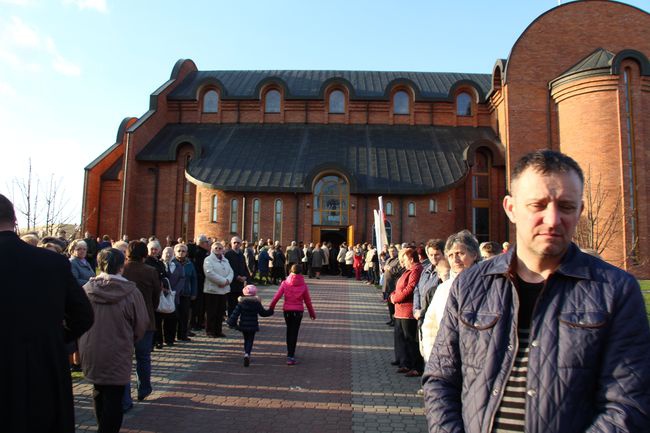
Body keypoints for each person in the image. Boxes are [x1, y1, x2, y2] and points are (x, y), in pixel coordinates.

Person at [422, 150, 650, 433]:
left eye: (566, 206)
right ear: (511, 208)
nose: (553, 219)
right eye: (538, 205)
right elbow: (441, 379)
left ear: (579, 210)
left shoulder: (615, 291)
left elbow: (627, 404)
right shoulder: (471, 285)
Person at [1, 194, 94, 433]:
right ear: (15, 221)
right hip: (44, 369)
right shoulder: (52, 263)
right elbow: (83, 315)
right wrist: (52, 338)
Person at [79, 248, 148, 433]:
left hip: (91, 347)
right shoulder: (131, 292)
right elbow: (141, 324)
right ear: (121, 267)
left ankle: (102, 427)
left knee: (98, 390)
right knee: (114, 397)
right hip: (119, 348)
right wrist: (130, 340)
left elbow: (77, 319)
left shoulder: (86, 290)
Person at [420, 230, 479, 364]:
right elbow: (430, 326)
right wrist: (432, 357)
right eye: (451, 255)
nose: (455, 259)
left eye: (460, 253)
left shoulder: (489, 286)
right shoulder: (443, 289)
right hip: (446, 362)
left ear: (474, 254)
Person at [121, 240, 161, 407]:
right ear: (145, 254)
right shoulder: (151, 271)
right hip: (146, 319)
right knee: (143, 357)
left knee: (124, 360)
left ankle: (125, 398)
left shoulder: (122, 269)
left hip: (124, 319)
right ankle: (144, 389)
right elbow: (156, 296)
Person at [269, 264, 316, 365]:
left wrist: (271, 308)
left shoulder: (285, 283)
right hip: (298, 311)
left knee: (289, 330)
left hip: (287, 311)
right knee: (294, 332)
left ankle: (289, 352)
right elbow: (308, 301)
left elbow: (276, 297)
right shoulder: (303, 285)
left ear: (290, 271)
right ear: (301, 272)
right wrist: (312, 313)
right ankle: (291, 355)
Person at [390, 247, 424, 377]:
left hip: (408, 310)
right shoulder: (408, 270)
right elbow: (399, 286)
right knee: (402, 338)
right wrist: (393, 295)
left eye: (404, 259)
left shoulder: (416, 270)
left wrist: (396, 298)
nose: (402, 262)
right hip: (400, 310)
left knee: (411, 340)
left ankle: (416, 366)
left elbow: (411, 288)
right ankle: (405, 363)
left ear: (410, 258)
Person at [227, 284, 274, 367]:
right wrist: (271, 311)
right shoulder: (256, 303)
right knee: (250, 340)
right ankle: (247, 354)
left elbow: (235, 314)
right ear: (255, 293)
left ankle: (246, 354)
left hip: (243, 325)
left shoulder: (241, 303)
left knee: (246, 339)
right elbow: (263, 313)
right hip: (253, 325)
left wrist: (232, 323)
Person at [203, 241, 233, 338]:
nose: (218, 250)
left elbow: (231, 271)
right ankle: (210, 331)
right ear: (212, 249)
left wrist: (227, 280)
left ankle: (218, 330)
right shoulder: (208, 260)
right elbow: (209, 273)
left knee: (220, 312)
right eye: (216, 248)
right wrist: (222, 281)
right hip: (212, 290)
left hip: (223, 290)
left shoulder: (226, 260)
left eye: (220, 248)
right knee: (212, 312)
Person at [171, 243, 197, 341]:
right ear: (175, 252)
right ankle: (171, 336)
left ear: (186, 253)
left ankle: (183, 334)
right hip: (174, 293)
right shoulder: (172, 263)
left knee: (185, 315)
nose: (181, 253)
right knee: (173, 315)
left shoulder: (189, 264)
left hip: (186, 293)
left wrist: (194, 292)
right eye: (179, 251)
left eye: (183, 251)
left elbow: (194, 279)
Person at [225, 236, 250, 317]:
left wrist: (246, 276)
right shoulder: (228, 254)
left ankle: (235, 320)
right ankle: (231, 321)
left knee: (239, 303)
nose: (236, 244)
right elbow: (227, 268)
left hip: (240, 284)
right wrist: (237, 276)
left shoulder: (241, 255)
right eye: (234, 242)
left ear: (240, 244)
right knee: (231, 304)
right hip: (232, 283)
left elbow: (245, 267)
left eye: (238, 243)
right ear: (231, 244)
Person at [190, 235, 210, 331]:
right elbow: (201, 268)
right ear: (202, 243)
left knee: (201, 304)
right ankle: (196, 323)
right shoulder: (199, 253)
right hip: (199, 281)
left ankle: (199, 322)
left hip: (201, 281)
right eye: (207, 242)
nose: (208, 244)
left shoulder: (202, 252)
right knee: (198, 304)